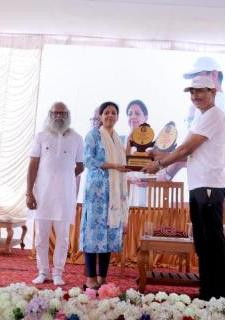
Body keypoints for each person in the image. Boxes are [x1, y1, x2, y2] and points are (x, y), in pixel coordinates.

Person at [143, 75, 225, 300]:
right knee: (203, 243)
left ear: (213, 92)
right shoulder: (202, 117)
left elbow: (185, 150)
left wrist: (160, 163)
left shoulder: (213, 115)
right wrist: (160, 155)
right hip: (200, 185)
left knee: (212, 244)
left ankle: (217, 297)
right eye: (192, 92)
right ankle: (206, 294)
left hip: (209, 186)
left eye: (200, 91)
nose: (195, 96)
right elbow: (186, 152)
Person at [157, 57, 225, 188]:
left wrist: (166, 174)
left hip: (208, 184)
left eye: (197, 75)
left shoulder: (207, 106)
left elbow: (188, 149)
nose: (193, 82)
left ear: (214, 75)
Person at [26, 102, 84, 286]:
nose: (59, 116)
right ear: (50, 114)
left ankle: (58, 273)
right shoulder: (41, 137)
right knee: (41, 237)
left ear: (68, 115)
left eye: (63, 113)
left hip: (65, 196)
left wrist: (64, 176)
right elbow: (33, 165)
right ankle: (43, 272)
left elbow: (80, 165)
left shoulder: (77, 138)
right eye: (55, 113)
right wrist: (29, 192)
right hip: (42, 195)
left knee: (63, 237)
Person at [80, 101, 129, 289]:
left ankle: (102, 278)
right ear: (100, 116)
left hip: (113, 195)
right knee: (94, 234)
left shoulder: (118, 139)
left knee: (108, 234)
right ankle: (90, 279)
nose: (110, 115)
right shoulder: (93, 135)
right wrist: (113, 166)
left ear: (117, 117)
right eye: (106, 112)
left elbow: (123, 163)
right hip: (96, 194)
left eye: (113, 113)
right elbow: (88, 160)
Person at [124, 99, 149, 207]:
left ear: (146, 117)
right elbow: (115, 171)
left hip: (149, 195)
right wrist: (132, 179)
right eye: (130, 114)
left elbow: (160, 171)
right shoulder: (120, 142)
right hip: (126, 195)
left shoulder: (155, 143)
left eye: (137, 113)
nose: (133, 117)